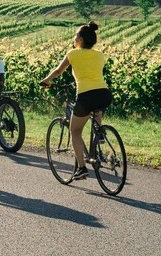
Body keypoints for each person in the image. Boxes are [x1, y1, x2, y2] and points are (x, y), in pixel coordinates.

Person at [40, 21, 111, 180]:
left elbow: (58, 71)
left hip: (85, 95)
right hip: (104, 93)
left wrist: (46, 80)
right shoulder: (100, 55)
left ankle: (81, 168)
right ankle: (99, 134)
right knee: (97, 107)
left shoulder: (73, 54)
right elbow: (92, 72)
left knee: (75, 131)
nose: (74, 37)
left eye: (75, 35)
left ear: (80, 40)